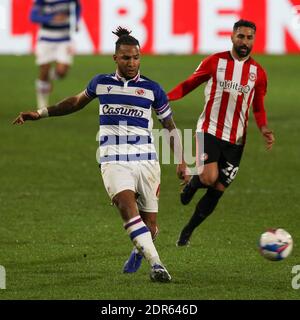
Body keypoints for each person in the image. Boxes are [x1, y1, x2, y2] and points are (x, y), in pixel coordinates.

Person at [14, 27, 187, 282]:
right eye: (126, 58)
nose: (132, 63)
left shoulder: (153, 89)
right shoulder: (101, 83)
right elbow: (73, 102)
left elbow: (169, 127)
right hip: (113, 159)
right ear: (115, 58)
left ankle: (139, 249)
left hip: (147, 160)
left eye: (136, 57)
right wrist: (40, 113)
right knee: (126, 206)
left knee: (150, 227)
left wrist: (183, 160)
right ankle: (157, 264)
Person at [167, 19, 275, 246]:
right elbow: (189, 84)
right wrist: (165, 98)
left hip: (236, 140)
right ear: (232, 37)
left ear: (254, 40)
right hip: (210, 129)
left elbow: (258, 106)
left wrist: (264, 128)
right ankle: (194, 182)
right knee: (208, 177)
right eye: (241, 36)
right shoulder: (214, 62)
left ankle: (188, 231)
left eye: (249, 37)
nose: (245, 42)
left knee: (218, 189)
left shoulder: (258, 73)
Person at [30, 0, 81, 110]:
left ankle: (48, 80)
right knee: (44, 70)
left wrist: (76, 21)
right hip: (45, 39)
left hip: (64, 38)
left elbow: (77, 6)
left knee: (62, 72)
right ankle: (42, 104)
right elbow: (33, 16)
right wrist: (50, 18)